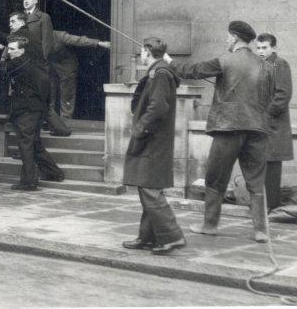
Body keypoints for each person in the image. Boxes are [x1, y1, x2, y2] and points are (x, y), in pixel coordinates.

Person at [164, 20, 273, 242]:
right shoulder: (267, 66)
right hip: (257, 129)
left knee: (215, 179)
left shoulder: (224, 60)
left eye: (227, 36)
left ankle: (210, 225)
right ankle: (261, 230)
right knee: (256, 181)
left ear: (234, 38)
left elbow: (192, 71)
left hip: (228, 129)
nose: (225, 39)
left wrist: (167, 60)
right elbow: (268, 98)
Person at [121, 37, 186, 255]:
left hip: (152, 141)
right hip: (154, 140)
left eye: (142, 51)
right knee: (146, 186)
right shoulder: (159, 73)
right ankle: (148, 237)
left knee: (149, 188)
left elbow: (158, 108)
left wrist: (140, 129)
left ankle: (172, 236)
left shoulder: (160, 74)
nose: (141, 55)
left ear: (148, 52)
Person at [0, 36, 64, 190]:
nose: (8, 52)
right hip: (36, 109)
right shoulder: (28, 62)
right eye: (8, 48)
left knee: (26, 145)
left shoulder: (20, 62)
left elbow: (2, 70)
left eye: (12, 49)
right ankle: (55, 173)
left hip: (27, 112)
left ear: (21, 50)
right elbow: (5, 69)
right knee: (35, 144)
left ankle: (29, 182)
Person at [0, 11, 71, 137]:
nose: (10, 24)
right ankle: (62, 130)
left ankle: (27, 144)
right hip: (40, 79)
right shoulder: (27, 34)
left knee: (27, 114)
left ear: (21, 22)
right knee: (43, 109)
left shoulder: (23, 34)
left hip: (34, 81)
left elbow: (6, 39)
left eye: (13, 21)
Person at [256, 33, 293, 211]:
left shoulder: (280, 64)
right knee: (261, 164)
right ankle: (262, 206)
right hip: (260, 124)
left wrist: (265, 115)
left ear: (273, 48)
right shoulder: (259, 66)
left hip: (274, 126)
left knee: (271, 167)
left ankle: (270, 206)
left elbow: (282, 95)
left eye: (265, 47)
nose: (261, 51)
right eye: (258, 47)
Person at [51, 30, 111, 119]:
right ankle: (50, 119)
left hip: (66, 65)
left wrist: (99, 43)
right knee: (48, 92)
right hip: (50, 64)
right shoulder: (34, 36)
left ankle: (65, 120)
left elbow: (78, 40)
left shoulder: (58, 35)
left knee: (67, 93)